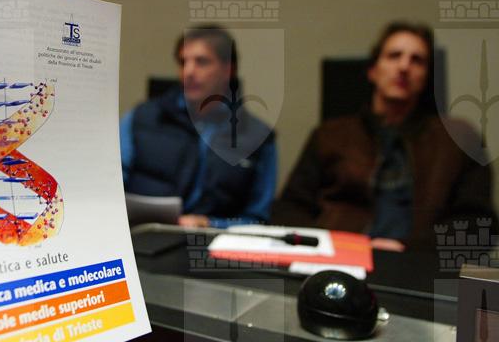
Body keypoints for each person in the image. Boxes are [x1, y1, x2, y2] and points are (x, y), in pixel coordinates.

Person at [272, 21, 496, 251]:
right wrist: (326, 246)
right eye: (394, 56)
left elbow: (478, 225)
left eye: (417, 60)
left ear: (426, 76)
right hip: (339, 256)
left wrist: (410, 248)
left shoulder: (459, 139)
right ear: (373, 70)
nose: (404, 66)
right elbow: (289, 209)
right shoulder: (329, 135)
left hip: (417, 261)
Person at [120, 26, 276, 228]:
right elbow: (109, 186)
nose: (189, 71)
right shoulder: (142, 117)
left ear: (228, 69)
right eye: (183, 62)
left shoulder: (258, 136)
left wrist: (210, 224)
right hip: (141, 236)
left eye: (201, 62)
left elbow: (257, 218)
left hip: (214, 242)